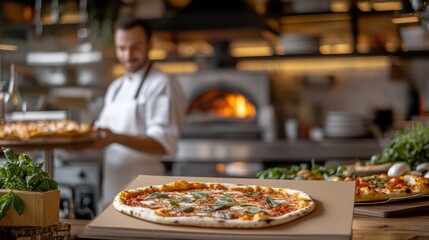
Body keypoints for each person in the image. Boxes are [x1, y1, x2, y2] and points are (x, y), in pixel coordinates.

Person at [93, 17, 187, 208]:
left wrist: (115, 138)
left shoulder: (162, 84)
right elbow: (100, 136)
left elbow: (163, 144)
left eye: (135, 47)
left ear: (150, 44)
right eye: (121, 48)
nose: (127, 54)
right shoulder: (116, 87)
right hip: (110, 192)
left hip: (147, 198)